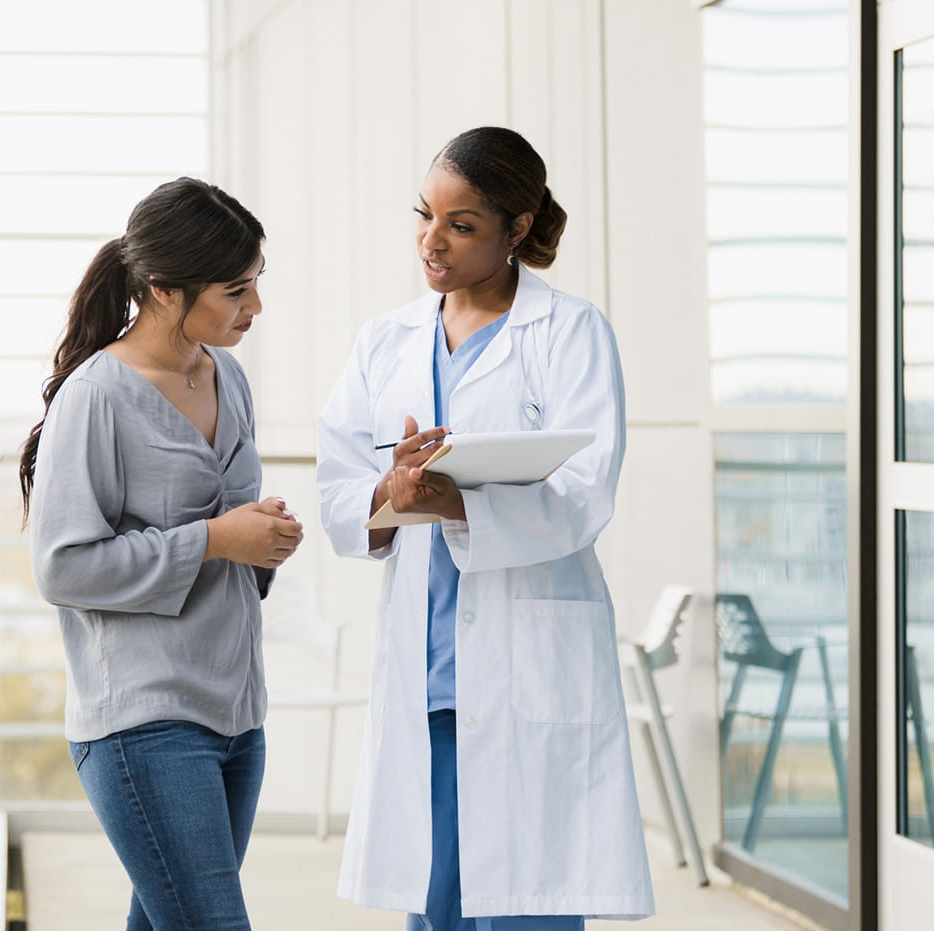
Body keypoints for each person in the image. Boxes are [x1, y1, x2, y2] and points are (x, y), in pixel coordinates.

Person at [316, 127, 654, 928]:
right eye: (424, 215)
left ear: (518, 228)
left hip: (526, 663)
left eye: (461, 225)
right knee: (435, 902)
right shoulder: (386, 341)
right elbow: (339, 486)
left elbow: (584, 491)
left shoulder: (570, 332)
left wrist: (455, 503)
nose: (432, 241)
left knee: (526, 902)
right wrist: (394, 491)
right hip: (428, 672)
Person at [21, 177, 302, 931]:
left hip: (237, 710)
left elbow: (231, 529)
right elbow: (62, 566)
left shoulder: (226, 375)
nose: (254, 305)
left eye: (256, 282)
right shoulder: (97, 396)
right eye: (235, 290)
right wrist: (215, 539)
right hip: (144, 717)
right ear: (164, 289)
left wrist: (263, 542)